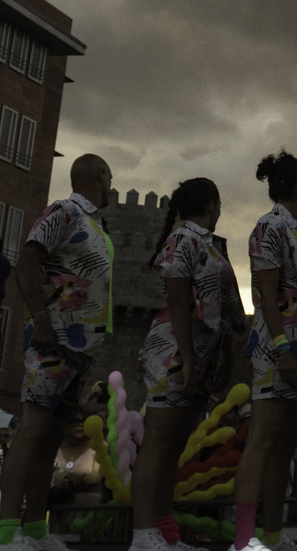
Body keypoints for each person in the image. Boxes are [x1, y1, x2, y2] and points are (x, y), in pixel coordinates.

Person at [0, 154, 113, 551]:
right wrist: (41, 321)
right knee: (31, 429)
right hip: (54, 340)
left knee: (50, 436)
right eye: (110, 177)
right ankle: (5, 531)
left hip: (78, 351)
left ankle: (34, 530)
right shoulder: (64, 211)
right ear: (100, 175)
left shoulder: (96, 225)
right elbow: (26, 262)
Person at [129, 178, 242, 551]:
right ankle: (144, 533)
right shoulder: (183, 239)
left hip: (201, 356)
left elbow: (225, 307)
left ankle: (164, 531)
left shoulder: (212, 245)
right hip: (173, 353)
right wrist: (187, 359)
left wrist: (224, 356)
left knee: (174, 446)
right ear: (212, 204)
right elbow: (178, 301)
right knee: (158, 443)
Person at [232, 151, 297, 551]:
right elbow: (266, 297)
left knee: (286, 442)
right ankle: (243, 540)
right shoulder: (269, 227)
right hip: (276, 351)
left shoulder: (296, 232)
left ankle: (270, 536)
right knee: (264, 439)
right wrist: (284, 349)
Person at [50, 405, 102, 511]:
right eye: (75, 421)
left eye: (84, 421)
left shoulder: (99, 446)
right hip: (57, 509)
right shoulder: (56, 447)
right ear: (67, 425)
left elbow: (96, 476)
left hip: (88, 510)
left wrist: (75, 480)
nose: (80, 425)